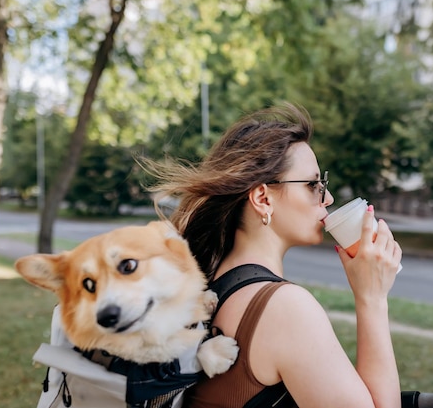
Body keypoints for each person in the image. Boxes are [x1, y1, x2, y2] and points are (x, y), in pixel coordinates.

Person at [149, 102, 402, 408]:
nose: (328, 198)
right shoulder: (284, 308)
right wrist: (372, 298)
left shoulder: (209, 285)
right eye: (313, 185)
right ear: (263, 198)